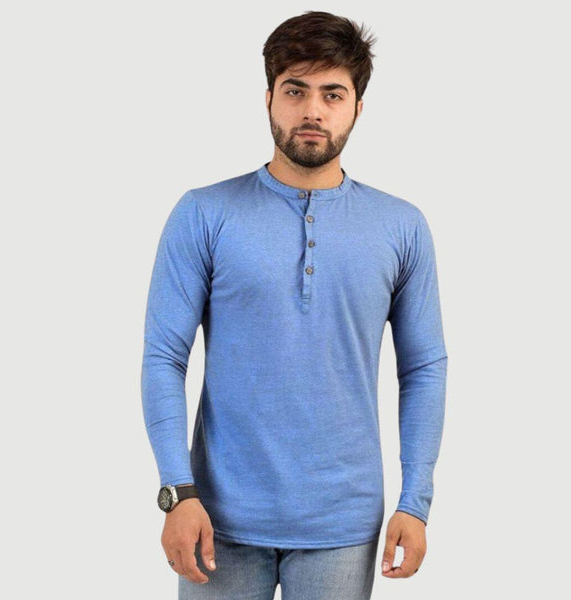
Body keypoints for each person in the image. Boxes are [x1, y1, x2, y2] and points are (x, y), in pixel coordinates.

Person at [141, 10, 448, 600]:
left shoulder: (401, 226)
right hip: (215, 520)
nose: (313, 110)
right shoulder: (204, 213)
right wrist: (177, 492)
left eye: (332, 94)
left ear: (357, 108)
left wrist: (416, 502)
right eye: (295, 90)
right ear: (268, 99)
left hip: (344, 525)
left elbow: (424, 368)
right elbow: (163, 357)